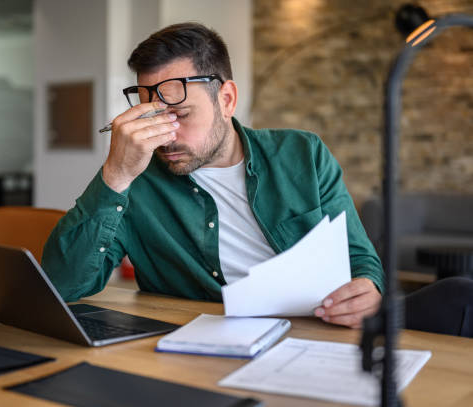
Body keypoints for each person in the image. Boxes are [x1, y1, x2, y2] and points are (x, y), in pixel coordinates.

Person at [42, 22, 384, 329]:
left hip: (312, 334)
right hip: (189, 348)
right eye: (152, 118)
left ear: (227, 100)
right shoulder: (135, 180)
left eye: (180, 114)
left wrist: (368, 289)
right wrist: (115, 176)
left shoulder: (302, 154)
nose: (166, 136)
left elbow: (358, 259)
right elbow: (62, 285)